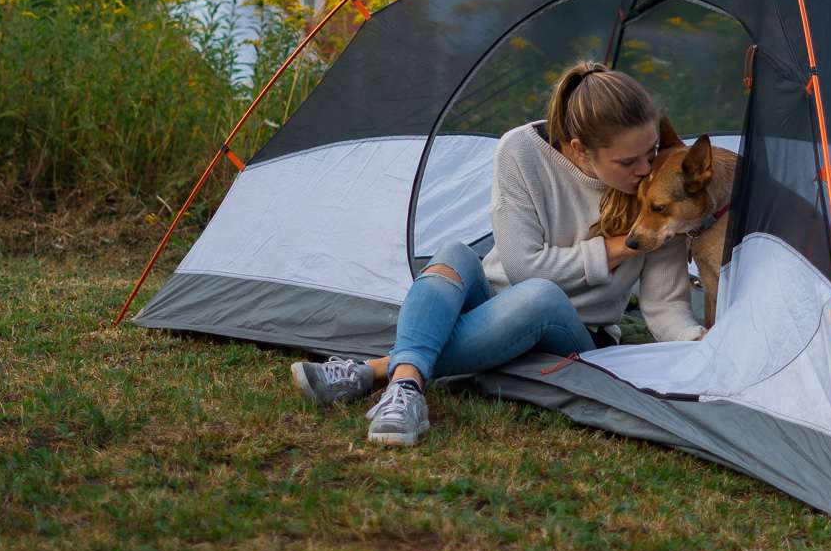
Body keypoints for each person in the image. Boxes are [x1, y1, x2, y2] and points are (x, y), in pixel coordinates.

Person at [289, 60, 703, 446]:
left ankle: (377, 371)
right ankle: (406, 389)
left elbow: (665, 307)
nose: (647, 169)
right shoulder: (521, 150)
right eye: (629, 161)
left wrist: (701, 343)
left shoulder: (661, 192)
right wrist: (617, 249)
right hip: (496, 297)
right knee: (454, 252)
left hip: (574, 330)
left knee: (540, 296)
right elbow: (523, 267)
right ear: (579, 150)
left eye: (651, 151)